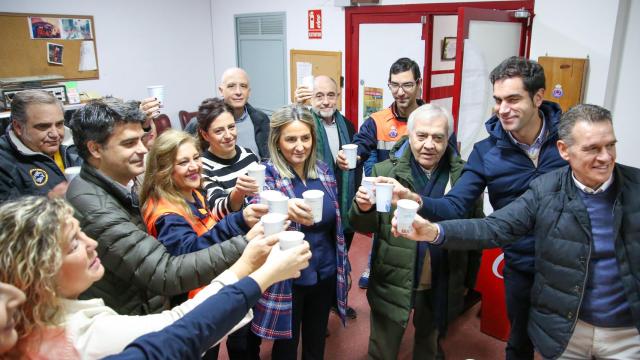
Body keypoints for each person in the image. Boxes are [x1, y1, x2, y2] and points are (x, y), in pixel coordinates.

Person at [394, 104, 640, 360]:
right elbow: (493, 228)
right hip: (567, 332)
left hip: (626, 335)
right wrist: (433, 231)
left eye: (610, 145)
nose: (605, 157)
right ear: (564, 151)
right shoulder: (545, 189)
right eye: (592, 149)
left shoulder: (636, 188)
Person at [382, 56, 566, 359]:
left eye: (513, 99)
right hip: (520, 261)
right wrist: (418, 200)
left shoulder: (568, 138)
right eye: (497, 100)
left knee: (569, 343)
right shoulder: (486, 152)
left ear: (538, 96)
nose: (502, 109)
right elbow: (455, 205)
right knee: (519, 340)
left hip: (569, 261)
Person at [0, 196, 312, 359]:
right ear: (40, 271)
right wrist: (265, 274)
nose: (92, 243)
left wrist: (244, 264)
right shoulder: (82, 337)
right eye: (73, 244)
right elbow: (183, 327)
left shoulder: (29, 321)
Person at [66, 97, 262, 316]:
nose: (142, 150)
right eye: (129, 143)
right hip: (128, 318)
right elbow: (165, 272)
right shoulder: (96, 209)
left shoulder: (118, 187)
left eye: (142, 139)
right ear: (95, 149)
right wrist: (246, 242)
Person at [349, 104, 483, 359]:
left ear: (449, 139)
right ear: (409, 135)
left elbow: (474, 234)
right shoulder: (385, 172)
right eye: (421, 136)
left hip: (442, 275)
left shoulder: (465, 177)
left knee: (430, 344)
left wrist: (468, 281)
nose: (429, 145)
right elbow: (362, 226)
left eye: (438, 137)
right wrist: (362, 208)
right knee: (382, 346)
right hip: (393, 273)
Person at [248, 105, 349, 359]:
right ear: (277, 141)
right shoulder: (268, 176)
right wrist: (281, 208)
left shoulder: (323, 171)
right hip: (288, 278)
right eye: (290, 139)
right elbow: (255, 207)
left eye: (305, 138)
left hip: (324, 271)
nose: (299, 146)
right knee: (286, 347)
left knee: (316, 340)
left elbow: (333, 222)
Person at [350, 57, 424, 289]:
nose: (400, 92)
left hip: (418, 193)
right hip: (388, 195)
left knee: (417, 240)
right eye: (395, 85)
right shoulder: (377, 121)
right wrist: (352, 157)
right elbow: (361, 145)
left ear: (419, 84)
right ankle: (374, 267)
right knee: (383, 237)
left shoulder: (430, 117)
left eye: (407, 85)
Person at [140, 129, 265, 257]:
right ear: (164, 169)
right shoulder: (166, 216)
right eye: (183, 162)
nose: (194, 166)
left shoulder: (193, 191)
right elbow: (190, 256)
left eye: (196, 158)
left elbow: (209, 229)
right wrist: (239, 221)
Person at [295, 75, 360, 319]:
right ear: (311, 98)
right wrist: (297, 106)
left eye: (330, 95)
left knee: (339, 257)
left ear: (338, 96)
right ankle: (315, 312)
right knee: (317, 259)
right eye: (318, 96)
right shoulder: (305, 125)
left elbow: (356, 163)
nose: (325, 101)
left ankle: (335, 300)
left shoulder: (348, 125)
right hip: (317, 205)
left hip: (345, 204)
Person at [0, 90, 81, 202]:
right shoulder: (3, 163)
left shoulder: (76, 144)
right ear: (18, 127)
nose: (55, 134)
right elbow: (5, 216)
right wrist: (48, 201)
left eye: (59, 124)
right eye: (43, 126)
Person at [196, 97, 261, 220]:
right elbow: (216, 212)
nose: (228, 135)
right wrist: (238, 193)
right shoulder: (202, 167)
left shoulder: (249, 155)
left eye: (231, 127)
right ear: (205, 135)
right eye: (219, 131)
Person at [186, 68, 270, 160]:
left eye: (243, 86)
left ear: (249, 92)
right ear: (221, 90)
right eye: (231, 86)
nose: (238, 92)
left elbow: (268, 155)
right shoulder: (198, 124)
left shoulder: (261, 119)